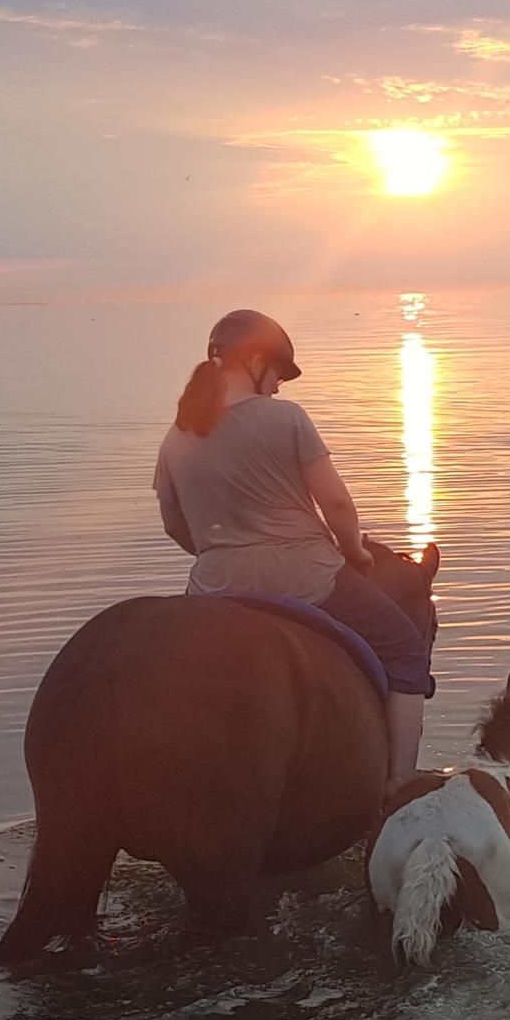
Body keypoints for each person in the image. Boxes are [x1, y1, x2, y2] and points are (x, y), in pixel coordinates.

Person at [153, 308, 428, 796]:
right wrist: (357, 555)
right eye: (279, 373)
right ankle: (398, 789)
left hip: (212, 589)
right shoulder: (286, 418)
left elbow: (175, 524)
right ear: (257, 360)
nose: (279, 386)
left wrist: (222, 553)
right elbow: (338, 504)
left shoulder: (177, 438)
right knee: (406, 651)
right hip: (305, 577)